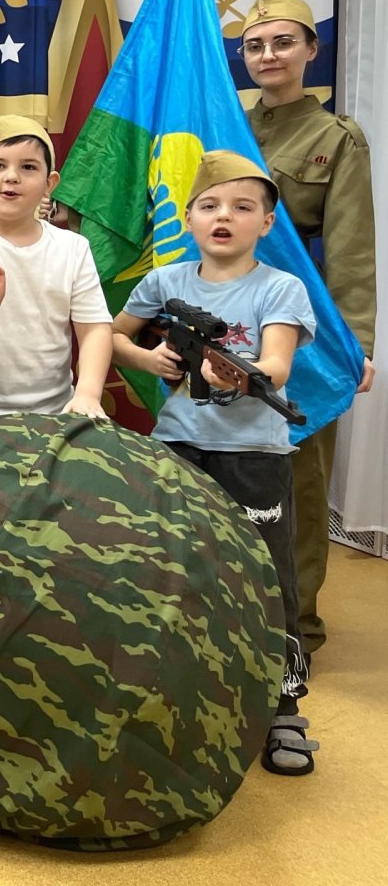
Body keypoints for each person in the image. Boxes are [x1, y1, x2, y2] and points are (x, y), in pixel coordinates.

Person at [111, 151, 318, 774]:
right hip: (178, 447)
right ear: (189, 218)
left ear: (268, 222)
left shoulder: (280, 288)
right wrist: (149, 359)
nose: (223, 217)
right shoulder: (166, 282)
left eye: (242, 207)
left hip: (254, 454)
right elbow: (113, 335)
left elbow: (275, 363)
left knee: (268, 578)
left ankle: (283, 711)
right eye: (209, 206)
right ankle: (173, 692)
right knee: (170, 572)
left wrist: (237, 374)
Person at [242, 0, 376, 659]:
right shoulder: (221, 125)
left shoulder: (335, 139)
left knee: (297, 475)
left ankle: (296, 627)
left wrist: (356, 345)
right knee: (219, 466)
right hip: (218, 321)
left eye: (283, 42)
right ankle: (229, 611)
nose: (268, 55)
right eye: (255, 45)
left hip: (298, 328)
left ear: (310, 49)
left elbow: (350, 249)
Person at [0, 115, 112, 431]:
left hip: (52, 416)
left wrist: (87, 393)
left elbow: (95, 328)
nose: (12, 177)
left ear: (49, 183)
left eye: (28, 167)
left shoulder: (73, 247)